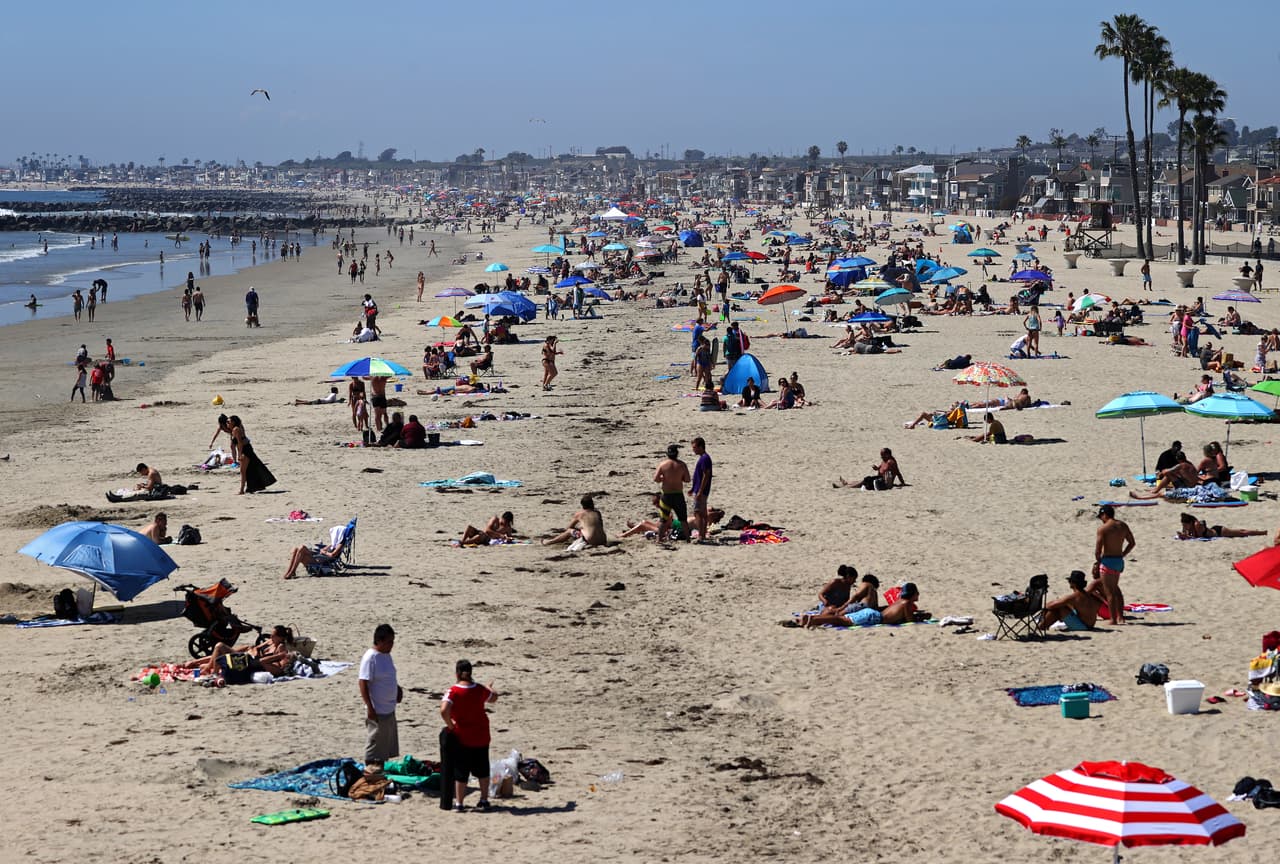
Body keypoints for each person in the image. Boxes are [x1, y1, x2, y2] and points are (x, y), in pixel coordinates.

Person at [441, 659, 499, 812]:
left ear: (457, 674)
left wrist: (450, 725)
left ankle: (460, 803)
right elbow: (493, 698)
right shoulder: (479, 689)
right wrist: (489, 688)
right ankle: (484, 799)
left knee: (461, 771)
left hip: (463, 736)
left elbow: (443, 709)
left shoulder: (453, 691)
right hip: (481, 734)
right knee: (482, 769)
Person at [358, 624, 402, 770]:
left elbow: (389, 676)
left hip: (389, 709)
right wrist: (370, 708)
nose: (392, 645)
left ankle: (379, 775)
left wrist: (397, 690)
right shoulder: (370, 658)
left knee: (383, 750)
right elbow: (363, 683)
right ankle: (371, 776)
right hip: (378, 710)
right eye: (389, 641)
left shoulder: (386, 655)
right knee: (374, 749)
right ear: (380, 641)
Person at [1093, 505, 1135, 626]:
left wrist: (1098, 561)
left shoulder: (1103, 529)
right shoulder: (1123, 525)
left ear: (1105, 515)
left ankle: (1113, 619)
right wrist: (1123, 554)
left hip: (1108, 560)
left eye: (1101, 516)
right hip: (1118, 561)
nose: (1101, 519)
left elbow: (1098, 550)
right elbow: (1132, 543)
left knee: (1109, 592)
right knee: (1116, 590)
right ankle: (1121, 617)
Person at [1037, 571, 1104, 632]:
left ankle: (1041, 626)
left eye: (1070, 581)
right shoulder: (1087, 594)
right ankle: (1042, 625)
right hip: (1089, 625)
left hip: (1084, 626)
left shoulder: (1075, 596)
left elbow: (1050, 605)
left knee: (1058, 608)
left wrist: (1045, 609)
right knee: (1061, 606)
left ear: (1073, 583)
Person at [228, 415, 276, 495]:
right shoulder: (235, 429)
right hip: (246, 449)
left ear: (233, 422)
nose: (227, 423)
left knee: (243, 471)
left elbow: (240, 443)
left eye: (228, 422)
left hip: (245, 450)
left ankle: (241, 490)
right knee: (249, 469)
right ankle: (249, 488)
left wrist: (239, 455)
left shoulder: (236, 429)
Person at [654, 444, 691, 541]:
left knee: (663, 519)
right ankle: (688, 539)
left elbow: (656, 479)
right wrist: (679, 478)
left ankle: (659, 539)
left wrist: (664, 478)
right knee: (683, 519)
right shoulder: (682, 465)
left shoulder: (663, 465)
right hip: (678, 495)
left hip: (666, 495)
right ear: (677, 454)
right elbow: (687, 479)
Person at [542, 495, 607, 549]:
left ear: (582, 505)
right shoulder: (597, 513)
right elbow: (599, 526)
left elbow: (568, 528)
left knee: (569, 531)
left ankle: (549, 542)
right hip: (603, 539)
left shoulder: (580, 514)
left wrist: (578, 528)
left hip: (590, 540)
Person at [1178, 512, 1267, 540]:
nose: (1184, 527)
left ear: (1189, 523)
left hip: (1219, 532)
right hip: (1213, 530)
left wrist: (1187, 537)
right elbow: (1187, 534)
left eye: (1185, 525)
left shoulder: (1197, 525)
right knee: (1240, 533)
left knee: (1242, 533)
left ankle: (1262, 532)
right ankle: (1261, 532)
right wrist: (1183, 535)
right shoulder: (1187, 525)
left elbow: (1199, 537)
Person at [690, 437, 713, 541]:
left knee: (697, 513)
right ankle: (702, 534)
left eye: (694, 447)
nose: (693, 449)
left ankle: (700, 535)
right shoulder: (703, 458)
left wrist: (699, 491)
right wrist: (693, 488)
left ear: (700, 447)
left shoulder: (704, 458)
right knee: (702, 513)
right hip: (698, 489)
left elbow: (706, 475)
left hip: (701, 491)